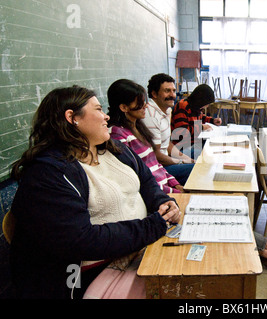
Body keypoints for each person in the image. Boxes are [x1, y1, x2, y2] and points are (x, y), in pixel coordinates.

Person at [9, 86, 181, 299]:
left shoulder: (114, 148)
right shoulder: (48, 172)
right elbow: (80, 240)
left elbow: (147, 182)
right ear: (72, 117)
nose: (106, 116)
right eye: (98, 109)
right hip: (87, 274)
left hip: (139, 247)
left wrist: (163, 202)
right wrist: (153, 226)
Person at [107, 79, 184, 194]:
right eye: (139, 103)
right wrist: (174, 192)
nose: (145, 106)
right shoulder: (117, 135)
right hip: (156, 194)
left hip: (164, 186)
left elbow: (156, 164)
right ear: (123, 107)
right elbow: (140, 179)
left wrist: (175, 184)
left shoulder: (139, 127)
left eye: (144, 101)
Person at [145, 73, 195, 185]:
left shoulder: (166, 110)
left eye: (173, 90)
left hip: (166, 158)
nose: (172, 95)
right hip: (157, 168)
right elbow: (156, 156)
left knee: (199, 152)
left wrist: (188, 159)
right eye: (167, 91)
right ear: (154, 94)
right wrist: (182, 162)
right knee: (196, 169)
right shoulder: (150, 115)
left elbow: (167, 144)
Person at [171, 84, 222, 159]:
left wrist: (212, 120)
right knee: (212, 153)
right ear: (200, 100)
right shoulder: (183, 106)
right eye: (206, 104)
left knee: (215, 147)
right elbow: (182, 132)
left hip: (194, 142)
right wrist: (201, 127)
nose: (207, 106)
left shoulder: (196, 107)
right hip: (183, 147)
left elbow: (201, 117)